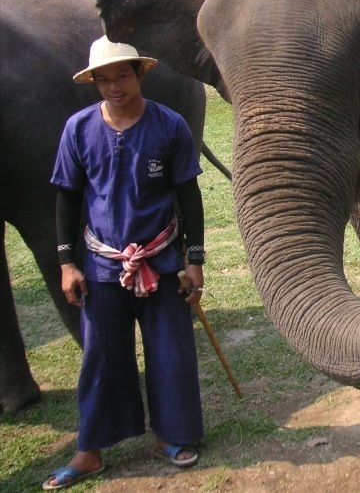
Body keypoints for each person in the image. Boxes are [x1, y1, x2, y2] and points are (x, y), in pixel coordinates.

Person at [43, 36, 207, 491]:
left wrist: (194, 260)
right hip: (102, 265)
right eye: (104, 79)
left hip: (163, 259)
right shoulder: (78, 130)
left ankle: (172, 436)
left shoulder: (169, 125)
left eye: (122, 76)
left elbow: (188, 195)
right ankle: (90, 450)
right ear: (93, 81)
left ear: (140, 74)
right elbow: (69, 199)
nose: (114, 86)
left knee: (171, 350)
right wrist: (66, 263)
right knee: (101, 357)